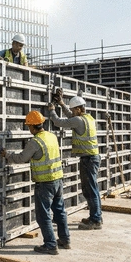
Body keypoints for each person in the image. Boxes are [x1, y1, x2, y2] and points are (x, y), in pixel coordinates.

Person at [1, 110, 70, 255]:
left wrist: (7, 155)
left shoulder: (35, 141)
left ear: (32, 126)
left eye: (28, 126)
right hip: (58, 179)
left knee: (43, 215)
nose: (28, 129)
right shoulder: (52, 136)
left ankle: (50, 245)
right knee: (59, 211)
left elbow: (21, 158)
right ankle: (65, 239)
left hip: (45, 184)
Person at [48, 95, 103, 230]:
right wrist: (61, 103)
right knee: (91, 189)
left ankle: (95, 219)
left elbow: (59, 122)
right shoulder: (88, 118)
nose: (72, 111)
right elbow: (71, 118)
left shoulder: (78, 120)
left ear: (78, 109)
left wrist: (51, 110)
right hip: (91, 158)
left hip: (88, 159)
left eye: (73, 110)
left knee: (91, 190)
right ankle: (96, 216)